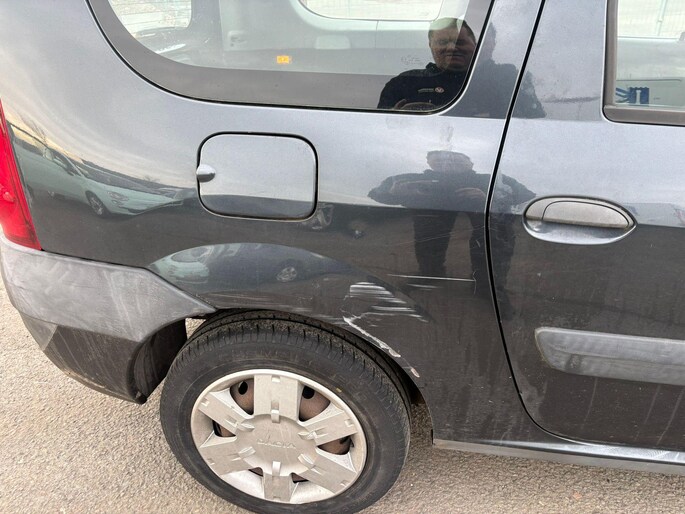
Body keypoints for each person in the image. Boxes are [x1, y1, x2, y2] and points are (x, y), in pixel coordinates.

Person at [377, 18, 477, 111]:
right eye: (442, 42)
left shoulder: (484, 82)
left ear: (475, 44)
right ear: (430, 45)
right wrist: (398, 116)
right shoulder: (403, 83)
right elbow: (382, 121)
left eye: (460, 42)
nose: (451, 48)